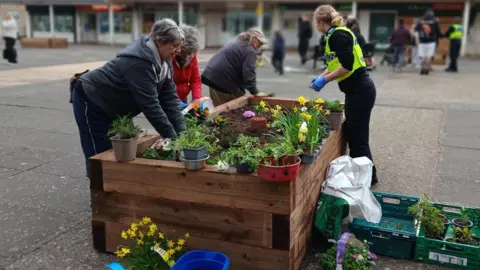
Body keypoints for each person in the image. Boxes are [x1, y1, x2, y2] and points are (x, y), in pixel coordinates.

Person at [71, 19, 186, 174]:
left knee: (123, 147)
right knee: (100, 152)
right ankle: (99, 190)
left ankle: (116, 185)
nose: (178, 50)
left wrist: (182, 135)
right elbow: (150, 105)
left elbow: (170, 99)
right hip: (92, 100)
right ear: (159, 41)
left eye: (179, 46)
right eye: (174, 46)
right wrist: (173, 138)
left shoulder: (165, 60)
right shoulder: (138, 63)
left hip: (115, 104)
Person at [310, 5, 378, 186]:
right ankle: (366, 175)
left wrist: (325, 80)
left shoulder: (338, 36)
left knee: (358, 137)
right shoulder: (334, 34)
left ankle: (368, 178)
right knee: (353, 132)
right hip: (357, 90)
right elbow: (335, 64)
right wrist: (321, 76)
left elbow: (346, 66)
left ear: (319, 22)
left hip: (360, 91)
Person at [201, 28, 267, 106]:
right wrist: (255, 91)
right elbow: (249, 72)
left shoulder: (236, 43)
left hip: (212, 79)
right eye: (260, 42)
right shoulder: (250, 50)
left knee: (219, 112)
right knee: (233, 112)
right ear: (254, 39)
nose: (260, 45)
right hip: (224, 82)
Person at [173, 24, 203, 108]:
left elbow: (195, 80)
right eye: (185, 52)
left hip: (182, 97)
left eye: (190, 52)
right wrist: (175, 101)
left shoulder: (191, 55)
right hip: (168, 98)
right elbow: (165, 84)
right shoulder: (170, 56)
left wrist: (196, 98)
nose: (187, 55)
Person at [415, 9, 441, 75]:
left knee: (423, 56)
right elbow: (438, 32)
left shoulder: (420, 22)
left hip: (422, 41)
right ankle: (426, 70)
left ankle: (422, 69)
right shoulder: (435, 22)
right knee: (429, 56)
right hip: (431, 42)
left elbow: (416, 30)